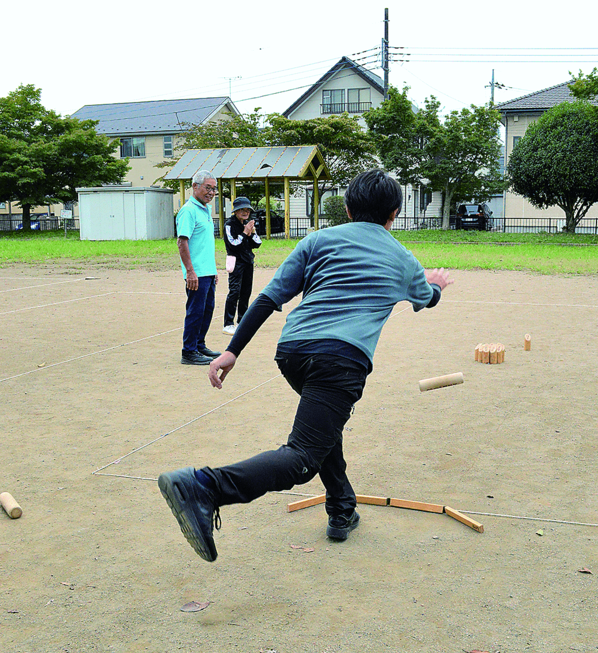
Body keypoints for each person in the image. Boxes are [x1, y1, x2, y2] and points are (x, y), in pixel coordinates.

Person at [158, 169, 452, 562]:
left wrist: (232, 351)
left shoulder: (318, 240)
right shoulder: (402, 258)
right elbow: (426, 299)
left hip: (293, 352)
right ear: (395, 213)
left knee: (323, 428)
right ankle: (206, 486)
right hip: (342, 361)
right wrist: (435, 284)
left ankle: (341, 509)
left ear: (347, 208)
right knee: (302, 456)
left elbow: (268, 298)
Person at [176, 170, 221, 365]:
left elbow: (203, 244)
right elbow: (182, 241)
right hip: (197, 273)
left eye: (214, 189)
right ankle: (189, 351)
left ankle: (199, 344)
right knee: (195, 311)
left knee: (207, 309)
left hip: (207, 272)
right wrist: (190, 271)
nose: (211, 192)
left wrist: (213, 270)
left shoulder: (205, 210)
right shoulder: (189, 210)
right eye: (207, 188)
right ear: (195, 187)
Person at [222, 195, 262, 335]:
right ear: (235, 211)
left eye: (248, 210)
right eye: (242, 210)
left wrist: (251, 233)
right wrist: (245, 233)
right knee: (234, 292)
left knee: (246, 292)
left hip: (248, 262)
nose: (245, 213)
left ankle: (242, 321)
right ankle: (228, 323)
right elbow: (233, 244)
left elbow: (257, 243)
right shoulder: (229, 225)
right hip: (235, 262)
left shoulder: (249, 224)